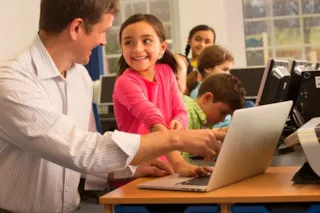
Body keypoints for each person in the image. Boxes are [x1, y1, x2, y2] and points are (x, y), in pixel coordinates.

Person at [0, 1, 221, 212]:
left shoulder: (80, 77)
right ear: (77, 28)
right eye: (103, 31)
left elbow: (84, 158)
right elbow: (80, 149)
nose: (104, 42)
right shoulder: (12, 81)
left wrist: (130, 169)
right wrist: (177, 138)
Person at [113, 14, 214, 177]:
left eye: (146, 41)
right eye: (129, 42)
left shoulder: (166, 72)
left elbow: (180, 111)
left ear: (162, 47)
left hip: (169, 166)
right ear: (122, 49)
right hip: (138, 169)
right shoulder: (125, 82)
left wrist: (178, 122)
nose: (138, 49)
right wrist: (180, 164)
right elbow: (155, 123)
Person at [175, 25, 216, 94]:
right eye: (197, 39)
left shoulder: (215, 68)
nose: (202, 44)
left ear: (213, 45)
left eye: (207, 42)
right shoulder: (182, 63)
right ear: (189, 41)